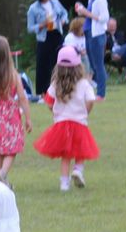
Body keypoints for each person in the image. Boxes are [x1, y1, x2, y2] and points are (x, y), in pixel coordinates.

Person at [34, 45, 100, 191]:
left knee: (65, 155)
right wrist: (85, 112)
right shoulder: (84, 84)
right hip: (79, 122)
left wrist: (55, 111)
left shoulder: (56, 83)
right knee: (80, 150)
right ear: (78, 66)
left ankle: (64, 184)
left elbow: (48, 100)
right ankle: (78, 170)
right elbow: (90, 100)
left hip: (61, 124)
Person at [0, 34, 33, 186]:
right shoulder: (13, 75)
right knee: (12, 148)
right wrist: (28, 118)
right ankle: (2, 173)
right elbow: (23, 98)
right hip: (11, 117)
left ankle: (2, 182)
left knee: (0, 149)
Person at [26, 0, 68, 96]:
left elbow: (64, 13)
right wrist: (41, 25)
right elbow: (30, 28)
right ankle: (42, 92)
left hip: (57, 34)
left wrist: (63, 20)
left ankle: (59, 89)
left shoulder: (55, 2)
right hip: (44, 37)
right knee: (43, 65)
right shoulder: (33, 8)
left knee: (58, 62)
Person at [73, 0, 110, 98]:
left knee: (98, 64)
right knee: (94, 65)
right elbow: (91, 15)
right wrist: (82, 11)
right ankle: (100, 89)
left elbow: (104, 18)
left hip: (97, 35)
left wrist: (86, 13)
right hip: (89, 33)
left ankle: (101, 94)